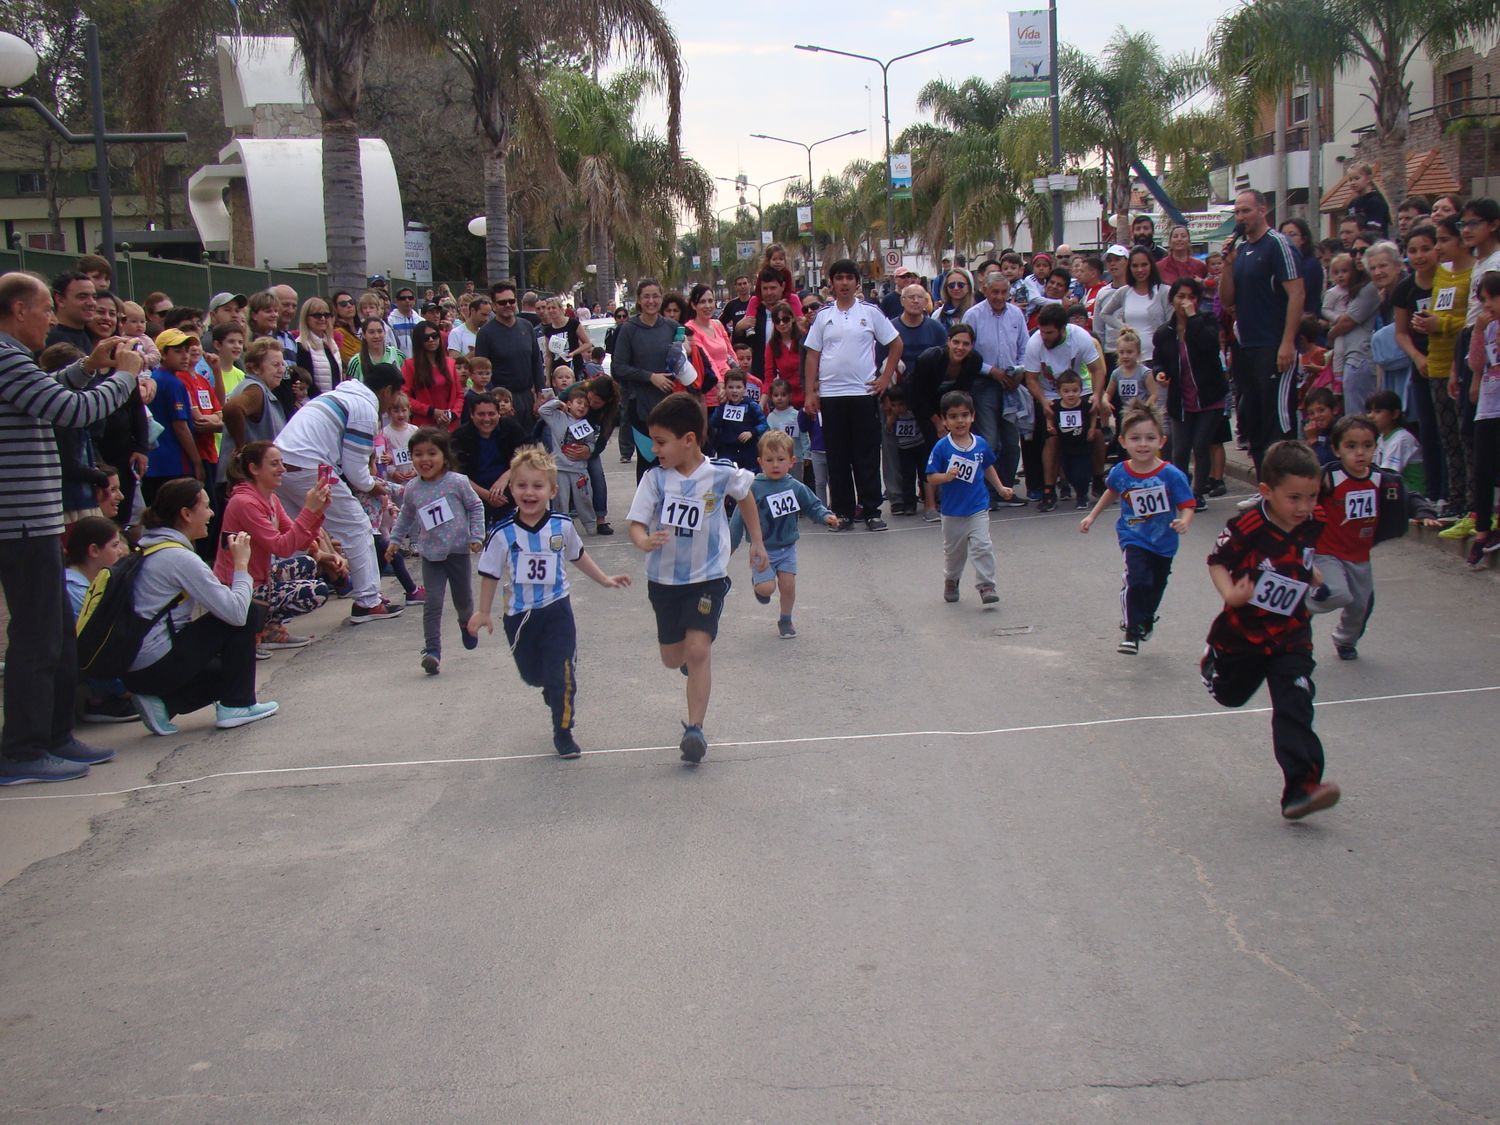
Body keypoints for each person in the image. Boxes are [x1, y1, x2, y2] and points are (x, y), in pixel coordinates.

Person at [0, 273, 147, 783]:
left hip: (35, 518)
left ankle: (55, 735)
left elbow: (52, 393)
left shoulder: (16, 360)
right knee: (37, 637)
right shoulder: (5, 356)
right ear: (19, 310)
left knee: (59, 632)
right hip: (18, 522)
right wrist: (123, 378)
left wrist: (87, 367)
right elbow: (71, 412)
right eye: (44, 309)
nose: (52, 320)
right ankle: (22, 747)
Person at [626, 392, 767, 764]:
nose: (654, 449)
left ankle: (694, 730)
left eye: (660, 442)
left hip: (707, 578)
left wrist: (756, 541)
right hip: (664, 581)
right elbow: (636, 523)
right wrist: (644, 541)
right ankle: (687, 662)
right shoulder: (655, 480)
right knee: (674, 658)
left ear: (688, 439)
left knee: (699, 650)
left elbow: (746, 495)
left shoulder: (720, 472)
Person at [1201, 440, 1340, 820]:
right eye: (1294, 498)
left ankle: (1301, 788)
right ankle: (1214, 662)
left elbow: (1299, 553)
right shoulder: (1248, 526)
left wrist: (1307, 573)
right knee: (1231, 697)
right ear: (1267, 492)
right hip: (1243, 636)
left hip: (1291, 635)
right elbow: (1217, 561)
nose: (1304, 507)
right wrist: (1231, 594)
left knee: (1295, 703)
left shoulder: (1313, 520)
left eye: (1311, 497)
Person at [470, 447, 631, 758]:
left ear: (552, 490)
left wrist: (605, 579)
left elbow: (578, 556)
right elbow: (489, 573)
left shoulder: (562, 526)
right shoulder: (502, 534)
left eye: (537, 486)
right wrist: (483, 611)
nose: (529, 492)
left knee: (563, 674)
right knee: (533, 674)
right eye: (521, 485)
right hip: (520, 615)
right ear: (512, 488)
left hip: (557, 609)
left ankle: (563, 731)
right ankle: (549, 687)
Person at [124, 478, 278, 736]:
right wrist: (241, 565)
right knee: (246, 612)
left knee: (226, 673)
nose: (211, 513)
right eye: (206, 507)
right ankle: (237, 705)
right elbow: (236, 613)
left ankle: (163, 704)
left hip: (137, 666)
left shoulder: (149, 546)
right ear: (185, 514)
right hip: (156, 664)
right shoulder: (178, 557)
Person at [273, 362, 406, 623]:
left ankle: (278, 609)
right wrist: (372, 485)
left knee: (294, 536)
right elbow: (357, 472)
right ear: (388, 391)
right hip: (310, 465)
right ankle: (368, 601)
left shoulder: (338, 395)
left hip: (281, 464)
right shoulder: (364, 409)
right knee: (357, 526)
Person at [1079, 398, 1195, 653]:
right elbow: (1111, 492)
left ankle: (1146, 619)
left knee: (1156, 585)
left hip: (1164, 542)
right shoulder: (1121, 471)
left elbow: (1188, 503)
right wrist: (1092, 516)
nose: (1143, 444)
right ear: (1123, 441)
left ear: (1161, 441)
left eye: (1150, 438)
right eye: (1135, 438)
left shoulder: (1171, 474)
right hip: (1134, 537)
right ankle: (1130, 630)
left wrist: (1184, 521)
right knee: (1137, 579)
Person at [804, 260, 901, 531]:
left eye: (849, 277)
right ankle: (843, 511)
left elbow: (896, 343)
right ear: (831, 283)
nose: (844, 283)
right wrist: (811, 391)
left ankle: (871, 511)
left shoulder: (870, 312)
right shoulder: (823, 316)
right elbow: (813, 354)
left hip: (863, 393)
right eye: (839, 278)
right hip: (832, 395)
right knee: (837, 455)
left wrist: (884, 378)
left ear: (857, 282)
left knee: (866, 454)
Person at [385, 426, 484, 675]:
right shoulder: (413, 489)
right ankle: (432, 651)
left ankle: (465, 623)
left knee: (463, 600)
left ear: (444, 457)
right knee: (433, 602)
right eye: (418, 454)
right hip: (431, 555)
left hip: (458, 551)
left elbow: (475, 506)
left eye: (432, 453)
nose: (425, 460)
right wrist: (394, 541)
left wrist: (476, 536)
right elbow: (406, 517)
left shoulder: (457, 482)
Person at [1219, 190, 1305, 471]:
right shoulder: (1241, 251)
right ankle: (1265, 480)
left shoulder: (1278, 245)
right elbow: (1228, 300)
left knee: (1276, 418)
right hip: (1247, 346)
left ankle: (1285, 477)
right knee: (1251, 416)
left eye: (1246, 211)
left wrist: (1288, 342)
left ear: (1262, 210)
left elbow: (1296, 293)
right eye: (1238, 212)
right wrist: (1227, 268)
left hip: (1274, 344)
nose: (1241, 217)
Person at [214, 441, 330, 649]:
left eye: (282, 463)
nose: (282, 470)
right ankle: (252, 630)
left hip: (260, 577)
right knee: (317, 590)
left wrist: (316, 512)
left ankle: (269, 629)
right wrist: (308, 510)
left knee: (307, 564)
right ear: (254, 469)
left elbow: (298, 540)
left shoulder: (271, 499)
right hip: (239, 585)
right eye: (275, 464)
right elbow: (282, 547)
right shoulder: (244, 503)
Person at [728, 429, 838, 638]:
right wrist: (728, 548)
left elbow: (812, 505)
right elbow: (738, 519)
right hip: (762, 549)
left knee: (788, 585)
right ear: (760, 462)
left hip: (787, 548)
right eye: (770, 460)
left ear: (791, 461)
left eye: (781, 459)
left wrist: (826, 516)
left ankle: (785, 619)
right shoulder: (752, 488)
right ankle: (758, 585)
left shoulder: (795, 486)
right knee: (767, 589)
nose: (775, 465)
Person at [926, 389, 1016, 605]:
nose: (960, 421)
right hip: (952, 511)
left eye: (965, 415)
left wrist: (1001, 487)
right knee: (954, 553)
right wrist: (946, 477)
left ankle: (986, 585)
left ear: (973, 416)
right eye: (954, 416)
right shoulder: (942, 447)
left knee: (983, 545)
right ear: (945, 421)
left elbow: (987, 467)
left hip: (977, 507)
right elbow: (930, 477)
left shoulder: (980, 444)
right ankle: (951, 579)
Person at [1307, 414, 1384, 660]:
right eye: (1351, 446)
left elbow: (1405, 496)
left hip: (1360, 554)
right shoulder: (1329, 478)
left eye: (1367, 445)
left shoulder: (1381, 478)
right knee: (1338, 593)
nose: (1360, 453)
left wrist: (1423, 511)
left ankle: (1346, 640)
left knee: (1360, 605)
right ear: (1336, 449)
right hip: (1327, 551)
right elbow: (1297, 492)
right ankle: (1295, 609)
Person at [1153, 277, 1228, 510]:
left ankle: (1198, 493)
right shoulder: (1165, 332)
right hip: (1181, 399)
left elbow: (1211, 347)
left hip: (1209, 396)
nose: (1185, 301)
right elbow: (1159, 360)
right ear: (1172, 300)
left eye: (1191, 296)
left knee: (1200, 444)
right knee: (1180, 449)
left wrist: (1193, 318)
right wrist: (1159, 373)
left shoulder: (1206, 321)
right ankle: (1182, 492)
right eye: (1180, 296)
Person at [960, 273, 1030, 501]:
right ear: (986, 290)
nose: (1000, 297)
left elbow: (1024, 347)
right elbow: (967, 352)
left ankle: (1006, 490)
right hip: (984, 384)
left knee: (1011, 440)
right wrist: (991, 370)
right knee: (988, 440)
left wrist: (1018, 371)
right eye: (995, 292)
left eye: (1003, 292)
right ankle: (988, 492)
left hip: (1011, 384)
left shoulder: (1016, 314)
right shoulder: (974, 315)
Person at [63, 516, 134, 723]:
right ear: (93, 551)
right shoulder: (74, 590)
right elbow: (92, 646)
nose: (120, 551)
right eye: (114, 545)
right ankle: (100, 699)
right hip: (87, 672)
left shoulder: (88, 584)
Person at [612, 278, 682, 480]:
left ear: (661, 298)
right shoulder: (628, 329)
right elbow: (618, 368)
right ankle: (646, 508)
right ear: (639, 300)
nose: (651, 301)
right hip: (640, 406)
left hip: (669, 406)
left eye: (656, 296)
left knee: (670, 460)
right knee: (648, 461)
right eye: (646, 296)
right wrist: (650, 377)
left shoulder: (672, 327)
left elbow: (683, 362)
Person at [1461, 272, 1500, 565]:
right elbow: (1476, 364)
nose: (1488, 306)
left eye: (1493, 298)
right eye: (1484, 300)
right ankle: (1482, 530)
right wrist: (1478, 333)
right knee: (1483, 469)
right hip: (1488, 406)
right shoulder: (1484, 327)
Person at [474, 280, 545, 429]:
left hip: (527, 399)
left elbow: (536, 362)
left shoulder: (527, 326)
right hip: (501, 403)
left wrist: (540, 394)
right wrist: (496, 402)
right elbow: (481, 372)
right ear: (494, 306)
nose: (507, 305)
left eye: (511, 301)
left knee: (529, 448)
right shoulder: (486, 334)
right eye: (502, 302)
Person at [454, 391, 528, 524]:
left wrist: (505, 478)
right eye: (481, 414)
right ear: (471, 415)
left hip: (508, 489)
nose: (487, 419)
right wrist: (487, 495)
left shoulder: (510, 428)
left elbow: (528, 455)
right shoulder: (460, 436)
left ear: (499, 414)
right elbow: (456, 475)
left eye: (491, 414)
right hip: (474, 494)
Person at [538, 385, 601, 533]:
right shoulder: (557, 418)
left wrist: (588, 450)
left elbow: (591, 443)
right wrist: (558, 403)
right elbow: (543, 410)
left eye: (586, 405)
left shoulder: (586, 425)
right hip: (559, 468)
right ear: (570, 403)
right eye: (579, 402)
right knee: (560, 500)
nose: (582, 407)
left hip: (580, 469)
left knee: (584, 498)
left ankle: (590, 525)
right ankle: (560, 527)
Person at [1096, 248, 1170, 363]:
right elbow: (1105, 314)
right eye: (1135, 266)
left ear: (1151, 265)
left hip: (1157, 359)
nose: (1140, 270)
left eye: (1144, 265)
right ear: (1129, 268)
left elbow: (1171, 324)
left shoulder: (1164, 291)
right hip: (1131, 361)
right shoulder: (1124, 292)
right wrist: (1124, 328)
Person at [402, 322, 462, 432]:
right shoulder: (410, 365)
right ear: (418, 341)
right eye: (426, 338)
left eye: (434, 336)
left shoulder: (450, 363)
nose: (431, 340)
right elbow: (404, 397)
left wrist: (452, 415)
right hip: (424, 427)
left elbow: (459, 394)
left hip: (450, 426)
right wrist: (431, 411)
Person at [707, 368, 767, 470]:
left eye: (738, 387)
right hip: (727, 451)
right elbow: (713, 423)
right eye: (730, 387)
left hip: (748, 451)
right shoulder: (722, 406)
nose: (734, 391)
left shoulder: (751, 405)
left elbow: (763, 424)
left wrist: (752, 433)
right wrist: (721, 407)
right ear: (725, 388)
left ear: (744, 389)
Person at [1367, 389, 1424, 493]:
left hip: (1411, 495)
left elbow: (1388, 474)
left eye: (1378, 411)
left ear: (1395, 414)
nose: (1371, 416)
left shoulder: (1401, 439)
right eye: (1369, 411)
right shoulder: (1381, 438)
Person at [295, 298, 345, 394]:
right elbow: (308, 384)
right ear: (306, 318)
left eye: (326, 315)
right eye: (317, 315)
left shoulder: (331, 343)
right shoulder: (302, 346)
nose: (322, 318)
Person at [345, 316, 403, 383]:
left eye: (380, 331)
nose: (376, 336)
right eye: (371, 332)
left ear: (385, 333)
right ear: (363, 335)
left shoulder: (397, 355)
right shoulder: (356, 362)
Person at [1343, 161, 1391, 237]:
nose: (1353, 182)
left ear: (1368, 178)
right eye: (1350, 180)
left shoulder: (1375, 202)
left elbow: (1374, 230)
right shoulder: (1351, 204)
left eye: (1357, 178)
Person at [447, 293, 488, 358]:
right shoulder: (456, 333)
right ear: (473, 310)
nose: (486, 318)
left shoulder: (484, 333)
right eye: (461, 306)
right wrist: (474, 353)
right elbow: (453, 362)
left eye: (466, 305)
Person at [386, 286, 421, 355]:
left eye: (410, 298)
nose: (407, 300)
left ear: (414, 300)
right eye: (403, 298)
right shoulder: (390, 321)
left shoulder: (421, 321)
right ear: (396, 301)